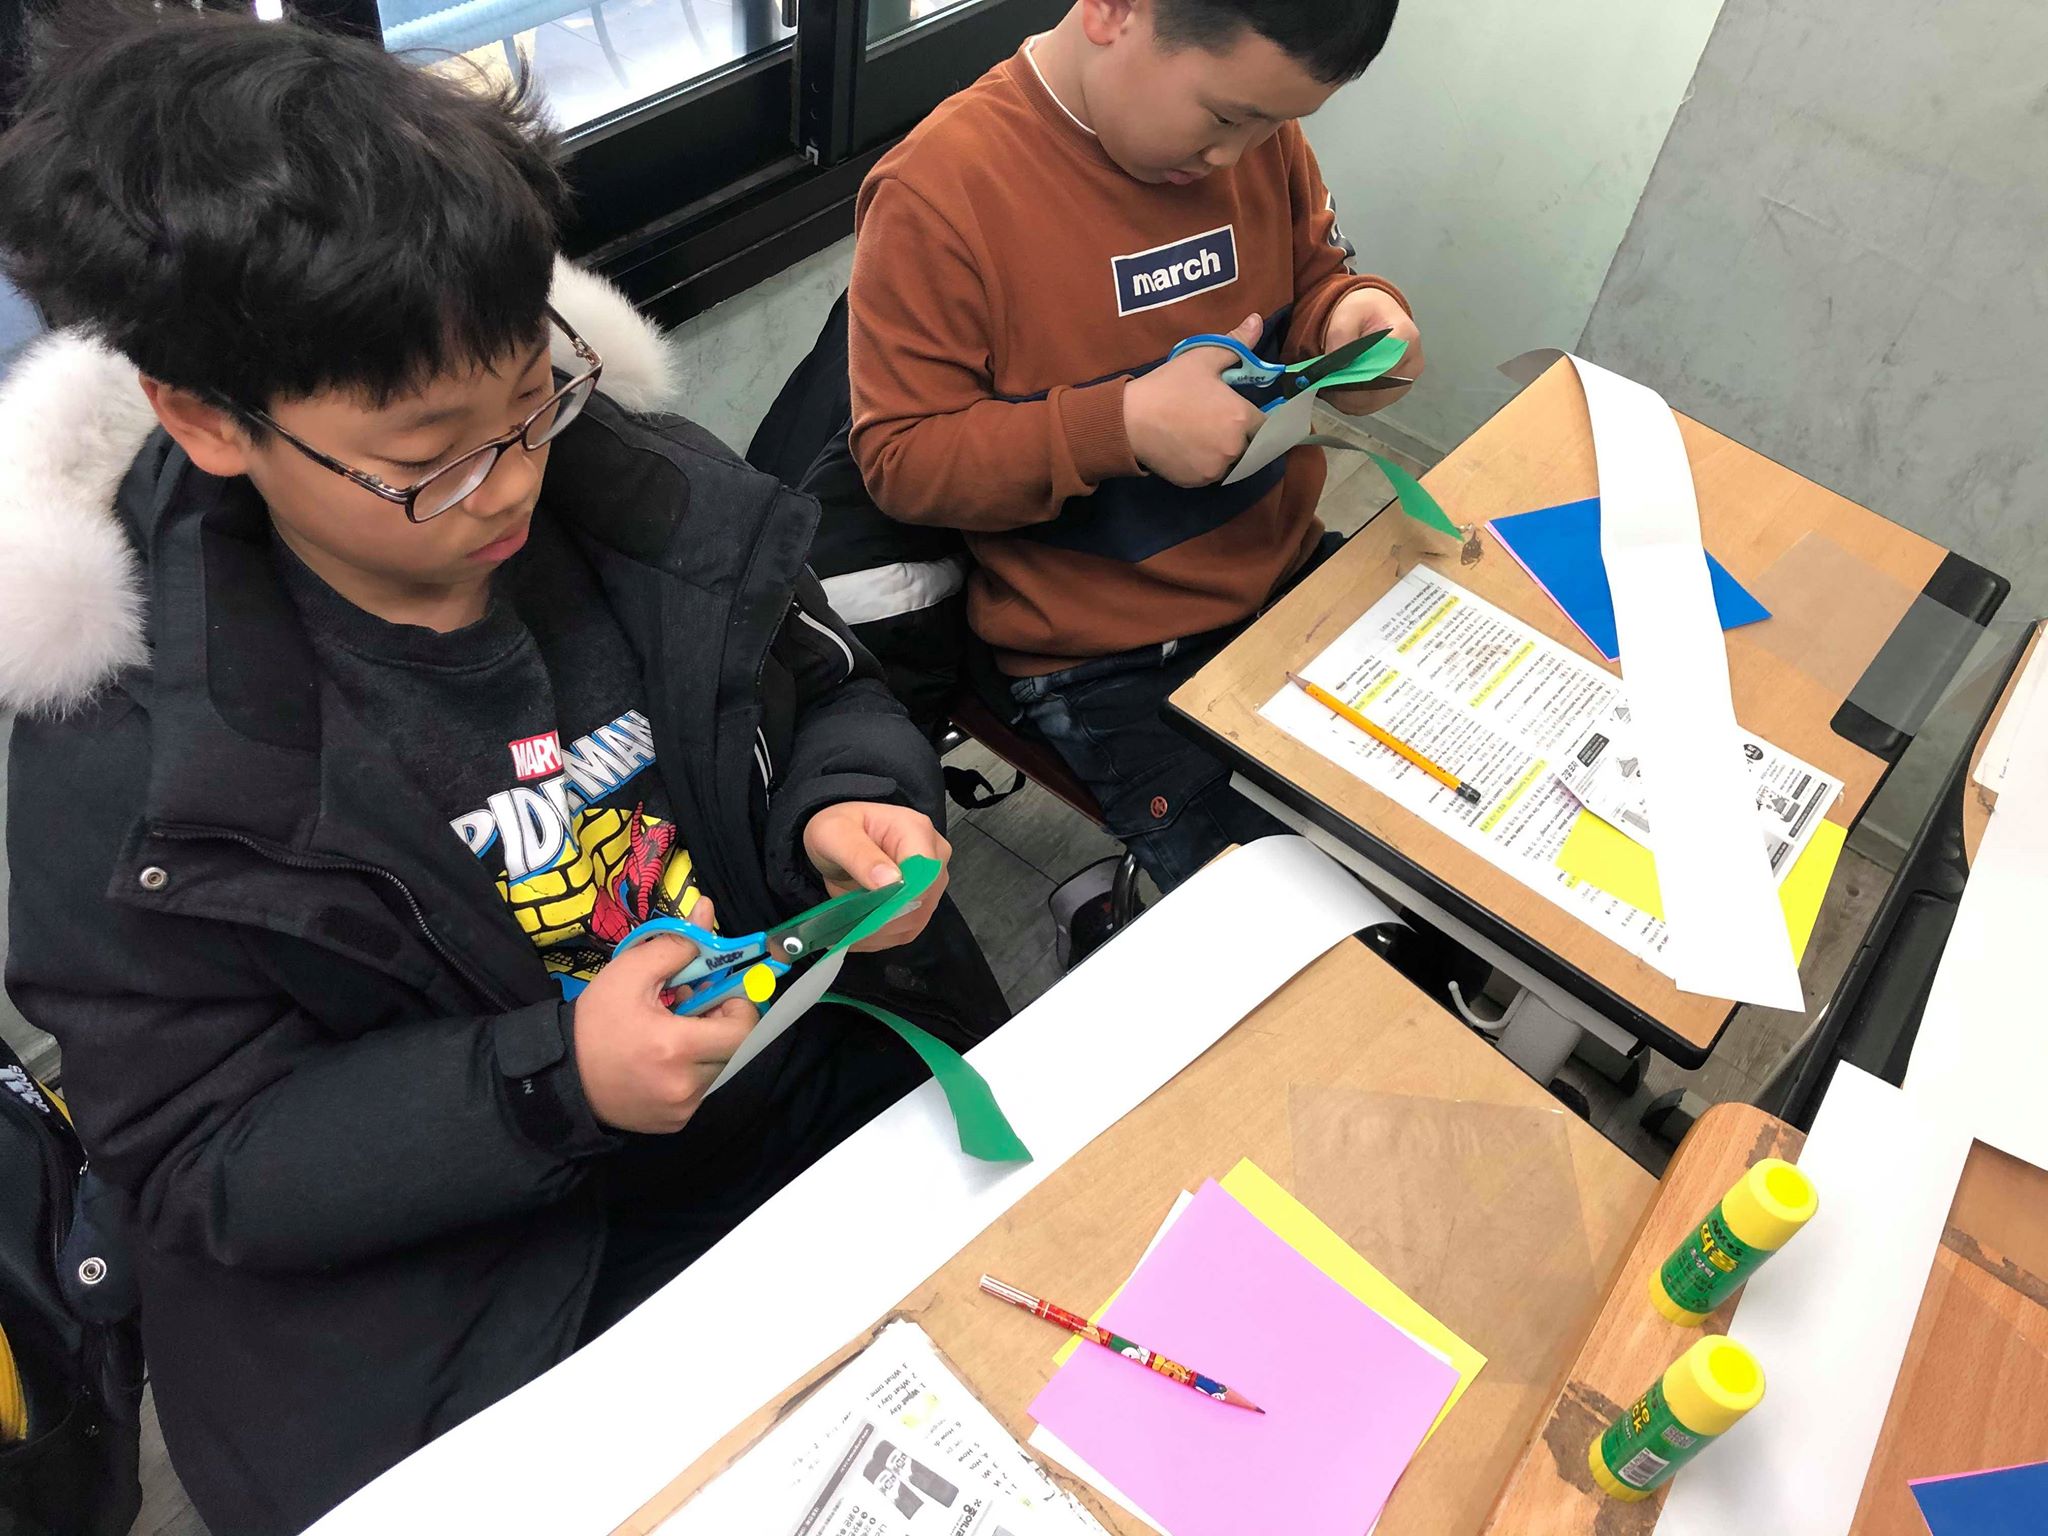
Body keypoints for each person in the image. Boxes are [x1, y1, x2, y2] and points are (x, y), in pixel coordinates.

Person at [0, 9, 980, 1531]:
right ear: (206, 418)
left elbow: (826, 682)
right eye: (430, 457)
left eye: (534, 399)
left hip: (805, 1117)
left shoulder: (644, 500)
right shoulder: (126, 750)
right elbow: (201, 1160)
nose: (512, 482)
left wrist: (852, 796)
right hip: (490, 1289)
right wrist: (552, 1080)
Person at [848, 0, 1418, 891]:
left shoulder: (1261, 139)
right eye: (1225, 117)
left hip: (1288, 573)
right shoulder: (941, 192)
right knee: (1320, 916)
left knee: (1446, 843)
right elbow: (903, 462)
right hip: (1108, 653)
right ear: (1115, 11)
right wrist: (1122, 427)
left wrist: (1353, 318)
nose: (1236, 155)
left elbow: (1315, 280)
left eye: (1277, 123)